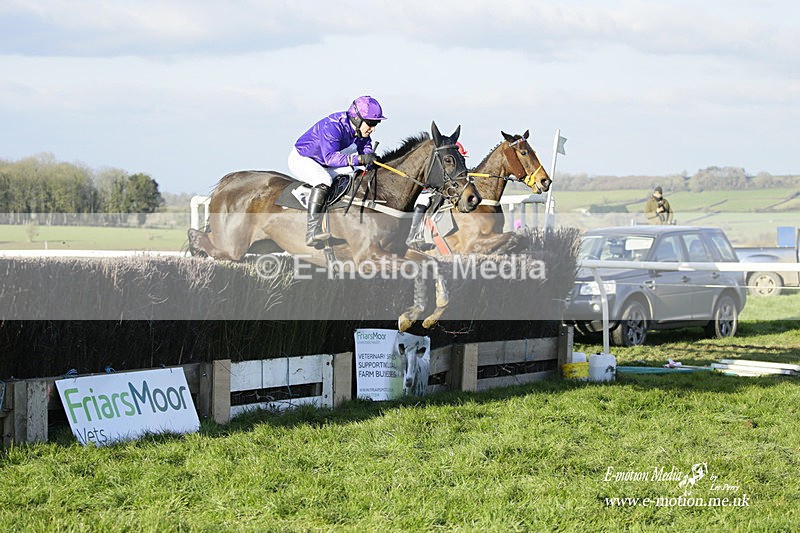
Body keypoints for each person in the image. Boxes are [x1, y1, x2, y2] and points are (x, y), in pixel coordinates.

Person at [288, 96, 386, 247]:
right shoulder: (333, 126)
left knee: (351, 174)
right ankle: (312, 231)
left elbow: (365, 146)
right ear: (357, 118)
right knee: (324, 180)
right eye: (371, 123)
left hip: (323, 161)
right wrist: (360, 159)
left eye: (376, 123)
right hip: (303, 159)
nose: (373, 128)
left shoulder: (360, 130)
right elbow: (330, 158)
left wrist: (370, 160)